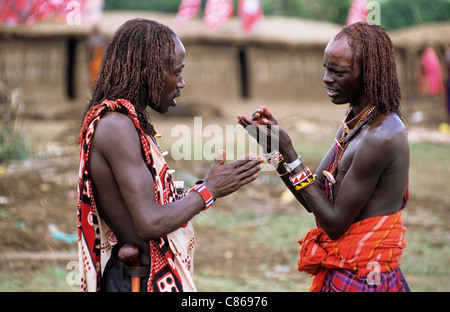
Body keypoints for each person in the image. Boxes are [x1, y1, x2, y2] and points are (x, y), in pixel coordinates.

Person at [77, 18, 263, 292]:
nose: (182, 82)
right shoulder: (117, 126)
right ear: (147, 71)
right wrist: (209, 191)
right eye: (177, 71)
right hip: (137, 282)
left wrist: (204, 186)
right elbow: (149, 222)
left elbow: (148, 207)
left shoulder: (124, 122)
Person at [238, 22, 410, 292]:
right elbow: (314, 200)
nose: (326, 79)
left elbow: (334, 225)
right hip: (350, 271)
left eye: (337, 72)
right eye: (326, 69)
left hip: (365, 278)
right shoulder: (357, 121)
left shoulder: (381, 136)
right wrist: (278, 151)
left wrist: (291, 151)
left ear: (370, 74)